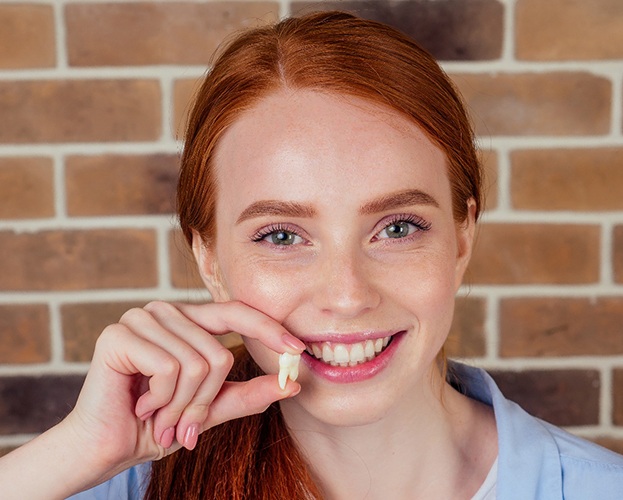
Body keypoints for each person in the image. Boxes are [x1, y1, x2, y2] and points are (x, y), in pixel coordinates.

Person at [1, 10, 622, 500]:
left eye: (398, 227)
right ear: (208, 259)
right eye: (281, 236)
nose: (347, 293)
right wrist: (75, 454)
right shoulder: (108, 483)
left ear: (463, 237)